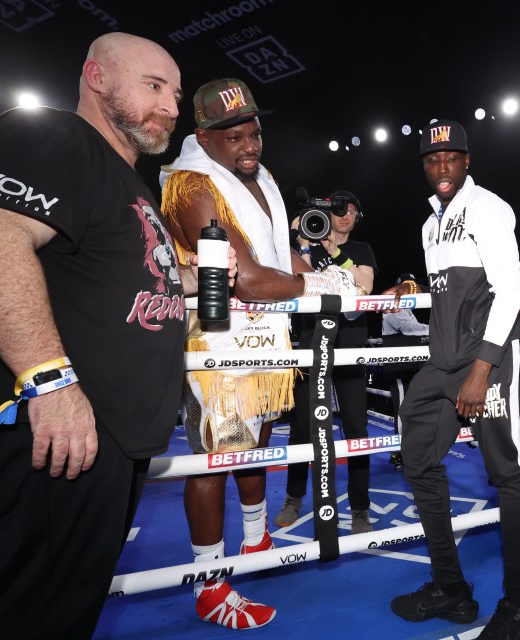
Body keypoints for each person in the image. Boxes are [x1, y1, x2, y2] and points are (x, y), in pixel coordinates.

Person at [0, 33, 226, 638]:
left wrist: (212, 281)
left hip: (103, 439)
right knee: (42, 617)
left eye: (174, 92)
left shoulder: (126, 183)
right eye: (153, 86)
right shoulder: (50, 136)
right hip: (56, 429)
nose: (172, 106)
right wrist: (50, 383)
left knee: (63, 610)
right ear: (96, 76)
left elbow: (130, 280)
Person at [158, 77, 350, 629]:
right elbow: (243, 274)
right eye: (235, 137)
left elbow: (276, 252)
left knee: (256, 442)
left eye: (255, 133)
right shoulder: (188, 185)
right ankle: (209, 583)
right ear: (203, 136)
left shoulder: (261, 176)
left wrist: (320, 271)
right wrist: (319, 290)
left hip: (267, 336)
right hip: (217, 336)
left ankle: (255, 535)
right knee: (215, 458)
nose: (250, 146)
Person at [387, 119, 520, 639]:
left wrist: (480, 371)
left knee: (507, 474)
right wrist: (413, 282)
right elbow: (450, 289)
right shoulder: (432, 224)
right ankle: (451, 589)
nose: (441, 167)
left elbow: (510, 288)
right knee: (417, 455)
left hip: (486, 360)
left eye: (451, 157)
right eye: (432, 160)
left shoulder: (488, 208)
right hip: (444, 361)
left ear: (467, 160)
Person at [275, 189, 378, 534]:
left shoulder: (362, 250)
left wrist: (334, 251)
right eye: (338, 209)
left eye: (352, 211)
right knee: (302, 426)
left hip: (349, 343)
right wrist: (301, 240)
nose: (344, 215)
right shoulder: (307, 245)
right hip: (310, 340)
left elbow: (365, 286)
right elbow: (298, 281)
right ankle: (293, 496)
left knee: (356, 428)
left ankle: (360, 507)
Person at [380, 273, 430, 470]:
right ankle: (402, 451)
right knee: (402, 409)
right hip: (399, 365)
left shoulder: (408, 308)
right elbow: (410, 329)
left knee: (412, 408)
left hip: (410, 364)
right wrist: (440, 329)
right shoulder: (395, 305)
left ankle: (408, 450)